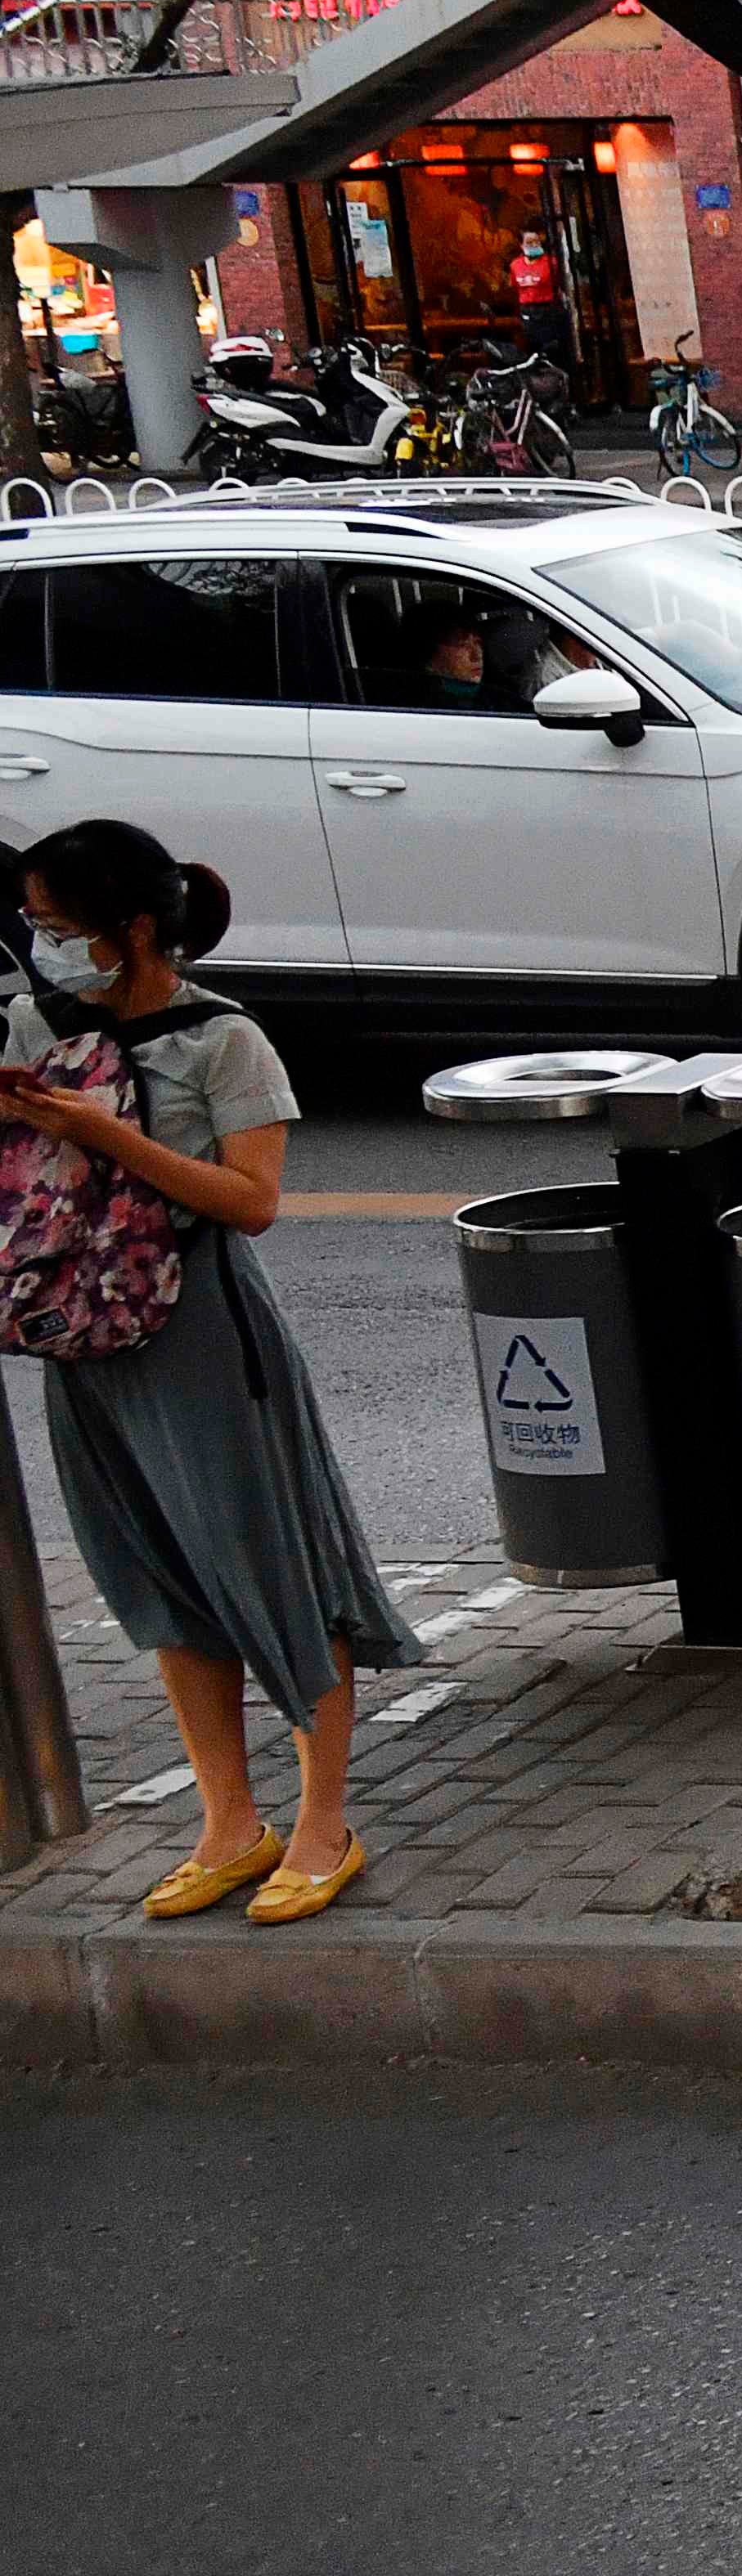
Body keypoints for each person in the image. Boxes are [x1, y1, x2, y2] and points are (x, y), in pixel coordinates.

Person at [4, 819, 416, 1923]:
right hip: (83, 1343)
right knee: (158, 1576)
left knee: (273, 1565)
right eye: (34, 924)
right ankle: (232, 1822)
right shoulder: (36, 1026)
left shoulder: (223, 1041)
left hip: (202, 1336)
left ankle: (325, 1824)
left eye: (61, 925)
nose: (43, 943)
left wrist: (108, 1134)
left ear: (131, 928)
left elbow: (253, 1203)